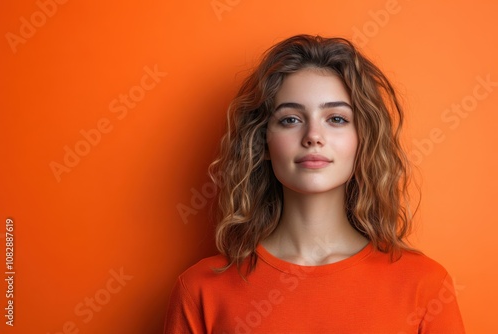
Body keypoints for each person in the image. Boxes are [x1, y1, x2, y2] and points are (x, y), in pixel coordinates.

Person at [164, 34, 465, 333]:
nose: (313, 136)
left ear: (363, 141)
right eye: (291, 119)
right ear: (264, 143)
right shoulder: (201, 289)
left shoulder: (424, 286)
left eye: (336, 119)